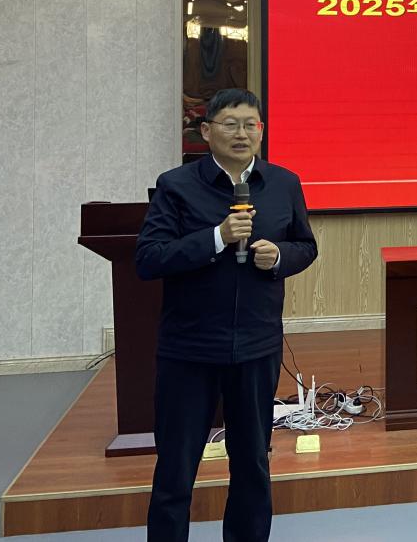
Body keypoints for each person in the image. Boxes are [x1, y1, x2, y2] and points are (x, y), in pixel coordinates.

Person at [136, 88, 318, 542]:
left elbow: (306, 246)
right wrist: (216, 237)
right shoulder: (176, 185)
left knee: (253, 463)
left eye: (250, 124)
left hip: (256, 345)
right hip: (189, 348)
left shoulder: (284, 183)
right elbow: (150, 258)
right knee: (176, 466)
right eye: (230, 124)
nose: (242, 133)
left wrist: (280, 256)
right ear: (206, 131)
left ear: (262, 131)